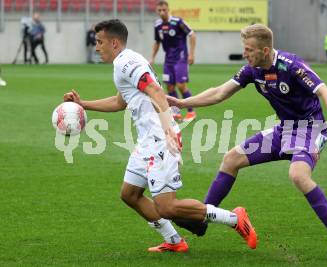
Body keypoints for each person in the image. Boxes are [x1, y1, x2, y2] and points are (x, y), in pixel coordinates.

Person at [63, 19, 257, 252]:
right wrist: (83, 104)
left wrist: (167, 129)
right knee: (130, 194)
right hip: (148, 140)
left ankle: (235, 219)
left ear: (114, 43)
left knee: (167, 206)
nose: (96, 47)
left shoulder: (127, 61)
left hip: (160, 139)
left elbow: (156, 91)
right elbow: (119, 101)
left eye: (99, 42)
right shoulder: (122, 64)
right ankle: (175, 241)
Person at [167, 24, 327, 260]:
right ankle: (201, 219)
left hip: (310, 129)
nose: (245, 54)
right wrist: (182, 103)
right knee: (231, 159)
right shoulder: (251, 70)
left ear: (265, 50)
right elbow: (219, 93)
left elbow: (325, 92)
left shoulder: (291, 65)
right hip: (284, 129)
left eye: (249, 50)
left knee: (298, 175)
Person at [150, 0, 197, 122]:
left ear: (168, 9)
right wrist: (152, 58)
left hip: (181, 58)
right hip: (168, 59)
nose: (161, 12)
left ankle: (191, 112)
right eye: (159, 10)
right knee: (170, 87)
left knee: (181, 86)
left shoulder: (177, 22)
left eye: (164, 10)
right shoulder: (157, 25)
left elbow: (192, 34)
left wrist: (191, 54)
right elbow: (157, 42)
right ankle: (176, 113)